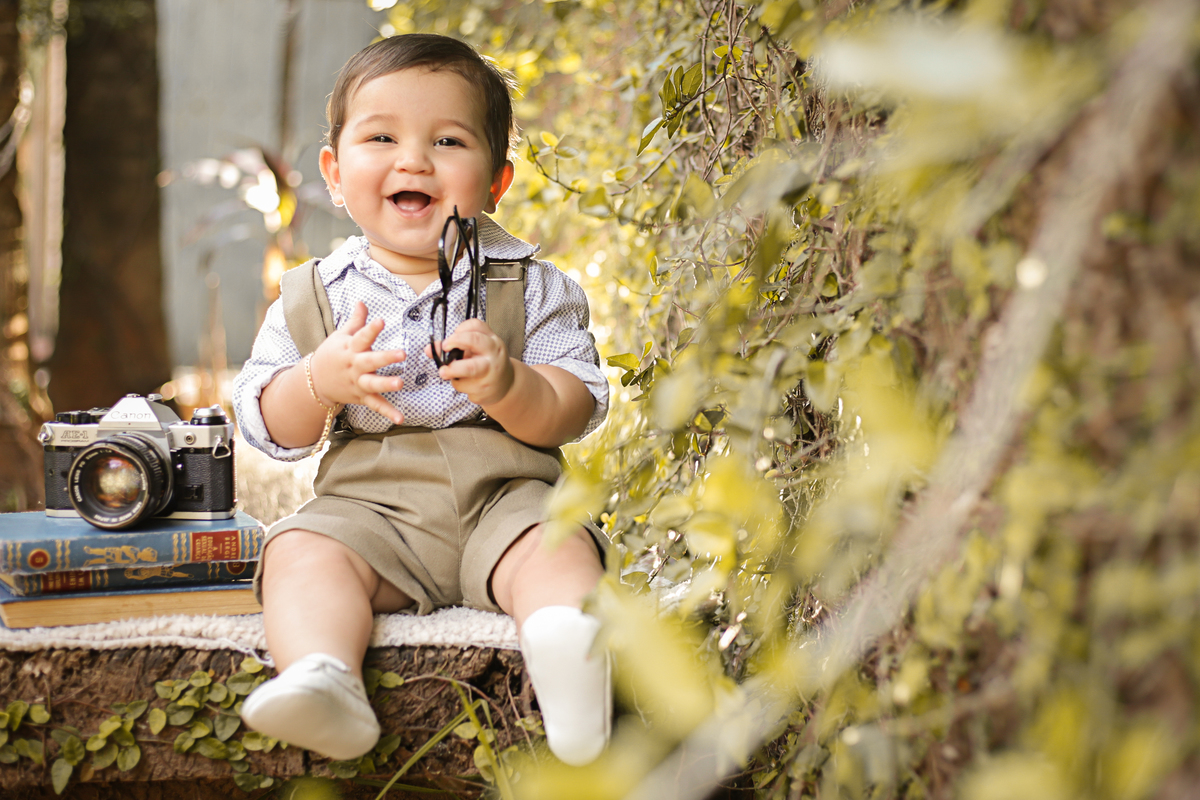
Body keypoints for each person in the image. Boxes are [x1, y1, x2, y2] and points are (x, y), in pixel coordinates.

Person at [231, 33, 610, 767]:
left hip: (507, 501)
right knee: (301, 549)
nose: (413, 160)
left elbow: (576, 405)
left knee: (557, 549)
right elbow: (267, 423)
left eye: (447, 141)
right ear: (335, 174)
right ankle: (323, 677)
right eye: (382, 138)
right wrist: (317, 382)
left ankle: (570, 662)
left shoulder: (531, 284)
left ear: (496, 181)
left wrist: (512, 385)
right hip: (369, 512)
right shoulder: (314, 296)